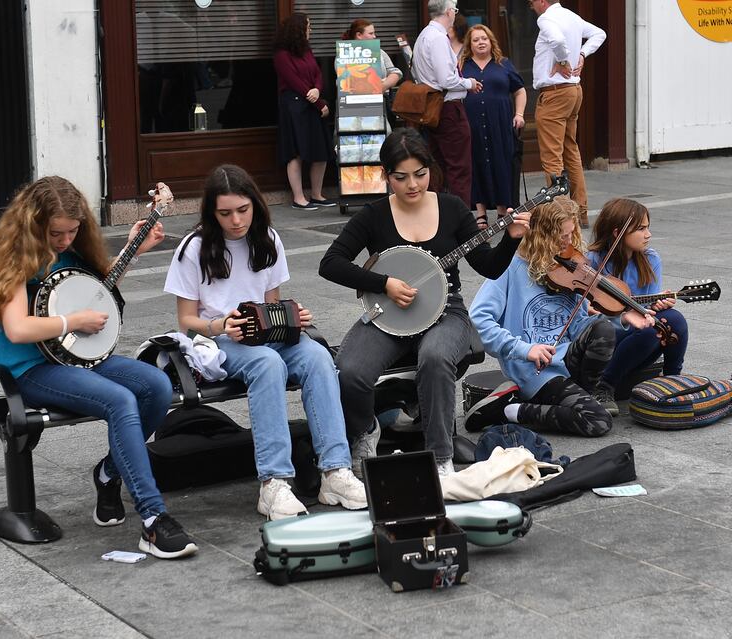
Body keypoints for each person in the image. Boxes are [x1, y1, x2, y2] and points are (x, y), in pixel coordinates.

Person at [0, 176, 197, 559]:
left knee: (156, 385)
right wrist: (72, 322)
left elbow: (97, 292)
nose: (64, 240)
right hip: (31, 370)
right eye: (56, 233)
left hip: (80, 358)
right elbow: (18, 327)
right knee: (121, 401)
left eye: (73, 231)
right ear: (34, 224)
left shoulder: (74, 250)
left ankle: (109, 474)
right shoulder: (15, 258)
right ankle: (154, 520)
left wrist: (132, 250)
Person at [319, 129, 530, 478]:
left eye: (420, 174)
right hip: (390, 315)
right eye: (401, 177)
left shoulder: (451, 207)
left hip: (446, 313)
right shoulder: (373, 215)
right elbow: (331, 263)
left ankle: (440, 459)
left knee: (434, 358)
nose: (412, 184)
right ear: (386, 175)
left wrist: (510, 241)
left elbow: (488, 267)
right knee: (350, 372)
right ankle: (364, 431)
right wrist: (383, 284)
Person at [163, 164, 366, 520]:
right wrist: (223, 325)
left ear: (255, 205)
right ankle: (274, 482)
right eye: (225, 213)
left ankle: (335, 471)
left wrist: (293, 315)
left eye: (243, 210)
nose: (236, 220)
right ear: (212, 212)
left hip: (267, 333)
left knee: (318, 357)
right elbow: (186, 321)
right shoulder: (194, 248)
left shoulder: (267, 239)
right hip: (219, 339)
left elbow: (271, 304)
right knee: (267, 365)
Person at [465, 196, 655, 436]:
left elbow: (577, 326)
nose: (568, 243)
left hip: (565, 360)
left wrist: (621, 318)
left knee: (602, 329)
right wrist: (525, 349)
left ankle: (580, 394)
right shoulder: (510, 268)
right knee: (598, 422)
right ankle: (510, 410)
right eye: (561, 236)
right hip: (534, 368)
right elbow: (479, 319)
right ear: (541, 235)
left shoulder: (568, 268)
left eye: (570, 234)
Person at [587, 198, 689, 398]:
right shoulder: (592, 261)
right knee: (647, 328)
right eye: (641, 229)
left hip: (639, 338)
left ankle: (672, 378)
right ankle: (604, 387)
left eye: (647, 227)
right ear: (618, 233)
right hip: (604, 342)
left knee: (673, 319)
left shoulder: (651, 259)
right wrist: (622, 315)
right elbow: (586, 316)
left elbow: (648, 310)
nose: (648, 235)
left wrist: (659, 304)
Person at [530, 0, 606, 229]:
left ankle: (562, 215)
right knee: (570, 149)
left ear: (542, 1)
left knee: (552, 157)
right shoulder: (572, 17)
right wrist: (582, 54)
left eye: (532, 2)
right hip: (573, 90)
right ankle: (580, 210)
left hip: (554, 93)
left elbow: (557, 40)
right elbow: (599, 34)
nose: (531, 6)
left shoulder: (546, 18)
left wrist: (564, 60)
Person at [411, 0, 483, 211]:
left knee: (438, 166)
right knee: (459, 168)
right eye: (455, 10)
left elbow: (417, 74)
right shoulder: (438, 38)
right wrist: (469, 83)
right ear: (450, 12)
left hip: (433, 108)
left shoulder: (424, 35)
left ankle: (437, 216)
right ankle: (460, 221)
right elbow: (446, 80)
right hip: (448, 108)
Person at [460, 24, 527, 229]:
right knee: (476, 162)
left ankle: (501, 210)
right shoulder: (462, 65)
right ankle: (480, 213)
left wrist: (519, 114)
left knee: (501, 162)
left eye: (484, 38)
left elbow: (520, 91)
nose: (481, 42)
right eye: (476, 39)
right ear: (469, 45)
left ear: (491, 42)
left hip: (500, 123)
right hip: (472, 123)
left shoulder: (503, 64)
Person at [274, 12, 336, 211]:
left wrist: (317, 89)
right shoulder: (282, 54)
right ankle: (299, 198)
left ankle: (317, 194)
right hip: (294, 106)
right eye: (308, 26)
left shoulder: (306, 50)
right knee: (296, 152)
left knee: (321, 150)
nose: (310, 30)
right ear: (298, 29)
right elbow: (293, 81)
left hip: (311, 103)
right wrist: (318, 102)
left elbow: (317, 73)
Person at [342, 19, 403, 96]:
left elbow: (395, 72)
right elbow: (344, 80)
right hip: (354, 100)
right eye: (371, 33)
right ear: (359, 35)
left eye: (374, 33)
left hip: (380, 99)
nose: (374, 36)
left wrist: (384, 86)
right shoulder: (344, 54)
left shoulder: (379, 52)